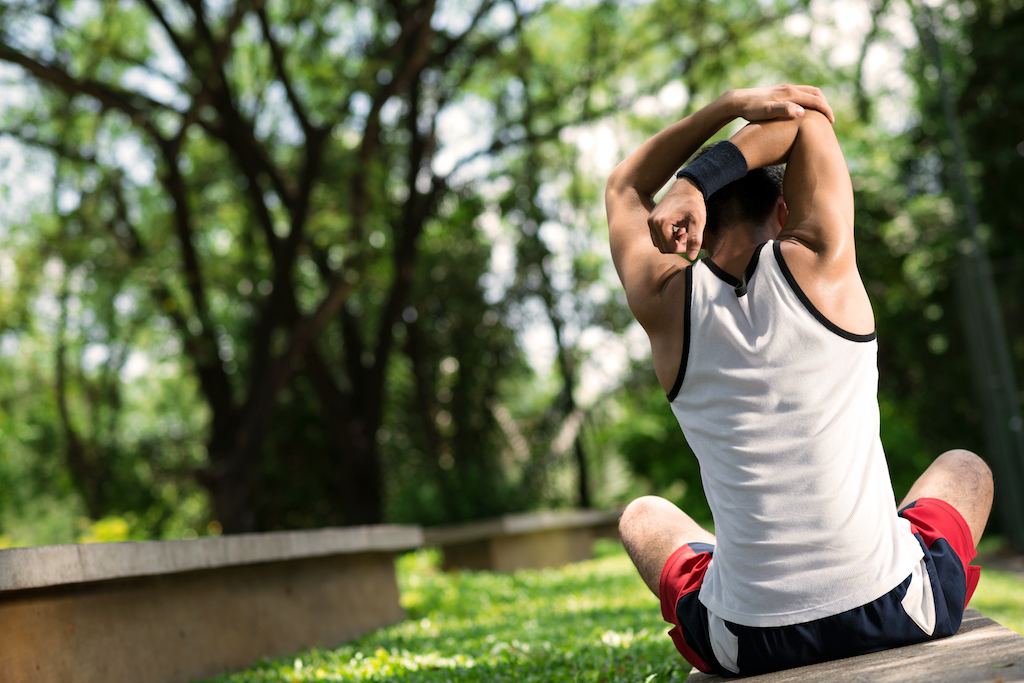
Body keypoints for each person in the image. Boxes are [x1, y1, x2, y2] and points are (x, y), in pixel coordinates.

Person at [604, 85, 994, 677]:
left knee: (644, 515)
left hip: (746, 643)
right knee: (965, 467)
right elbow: (808, 119)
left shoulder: (663, 307)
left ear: (700, 230)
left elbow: (623, 189)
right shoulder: (821, 261)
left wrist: (722, 109)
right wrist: (698, 178)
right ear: (784, 213)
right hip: (894, 610)